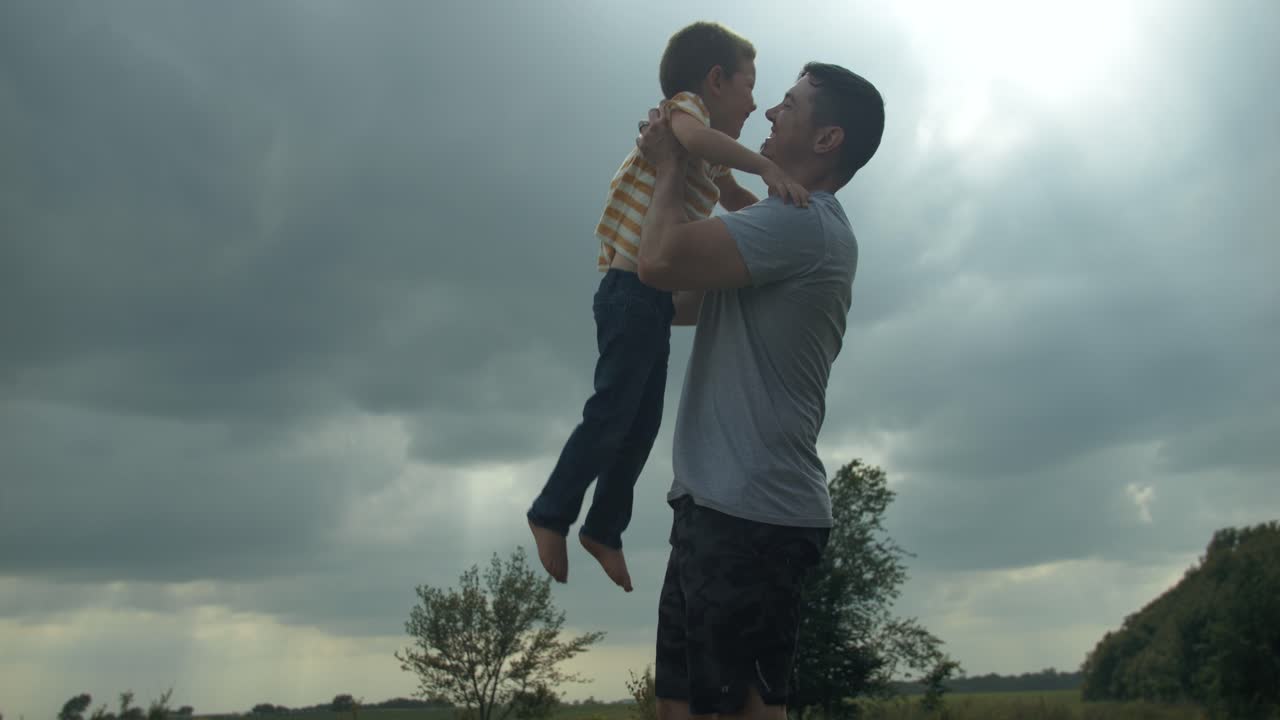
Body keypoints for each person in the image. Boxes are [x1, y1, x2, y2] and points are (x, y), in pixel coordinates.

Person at [634, 62, 885, 720]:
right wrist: (713, 178)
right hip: (718, 509)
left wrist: (667, 167)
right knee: (682, 709)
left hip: (749, 516)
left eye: (789, 105)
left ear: (827, 140)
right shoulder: (795, 227)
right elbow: (682, 300)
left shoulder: (802, 226)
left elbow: (658, 263)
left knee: (733, 712)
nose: (770, 114)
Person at [527, 21, 810, 593]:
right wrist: (770, 167)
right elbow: (703, 145)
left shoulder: (710, 155)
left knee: (641, 423)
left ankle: (604, 528)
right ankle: (551, 511)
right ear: (714, 81)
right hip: (628, 291)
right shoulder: (683, 114)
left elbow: (734, 201)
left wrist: (778, 214)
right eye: (749, 86)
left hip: (650, 301)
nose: (756, 103)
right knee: (611, 412)